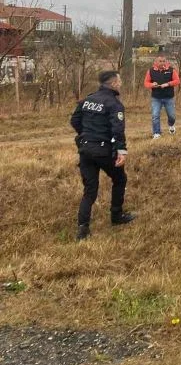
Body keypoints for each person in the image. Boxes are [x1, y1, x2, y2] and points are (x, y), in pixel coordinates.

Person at [69, 70, 135, 241]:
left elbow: (74, 120)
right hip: (104, 151)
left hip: (85, 150)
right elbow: (117, 130)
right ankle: (116, 216)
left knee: (90, 190)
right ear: (113, 84)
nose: (120, 83)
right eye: (119, 81)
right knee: (120, 179)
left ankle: (83, 228)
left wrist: (85, 134)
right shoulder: (114, 104)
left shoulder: (88, 99)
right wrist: (121, 151)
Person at [144, 55, 180, 139]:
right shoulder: (151, 71)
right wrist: (152, 84)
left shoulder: (171, 70)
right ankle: (157, 133)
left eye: (164, 61)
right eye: (160, 61)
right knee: (155, 115)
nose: (162, 63)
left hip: (169, 97)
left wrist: (168, 84)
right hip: (156, 98)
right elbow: (146, 83)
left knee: (172, 116)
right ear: (156, 62)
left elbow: (177, 81)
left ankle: (171, 125)